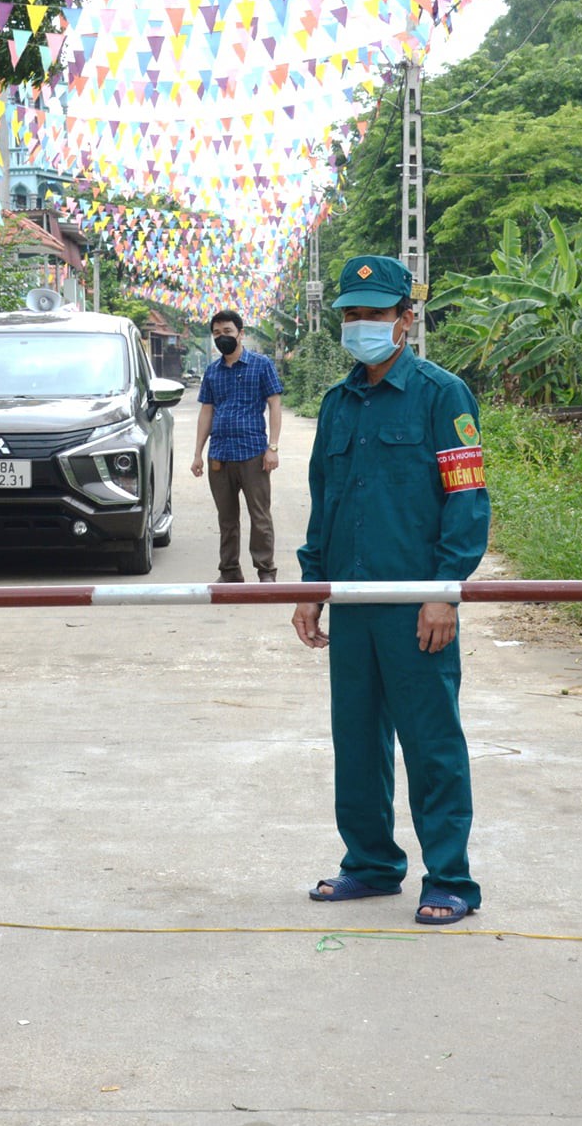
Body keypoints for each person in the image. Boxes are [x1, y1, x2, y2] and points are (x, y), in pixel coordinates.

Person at [292, 255, 490, 925]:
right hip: (350, 601)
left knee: (431, 742)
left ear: (408, 318)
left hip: (415, 604)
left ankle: (451, 880)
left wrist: (444, 591)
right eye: (351, 314)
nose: (361, 325)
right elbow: (323, 501)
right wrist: (310, 584)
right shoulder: (336, 404)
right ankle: (371, 865)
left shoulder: (442, 395)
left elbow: (467, 502)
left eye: (375, 314)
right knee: (357, 739)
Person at [190, 308, 284, 583]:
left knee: (260, 516)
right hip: (219, 456)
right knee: (227, 519)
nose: (222, 338)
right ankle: (229, 571)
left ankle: (266, 570)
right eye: (217, 334)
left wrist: (273, 447)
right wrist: (198, 453)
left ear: (240, 333)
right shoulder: (212, 372)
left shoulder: (261, 365)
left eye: (228, 332)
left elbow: (275, 405)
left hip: (254, 454)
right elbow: (207, 412)